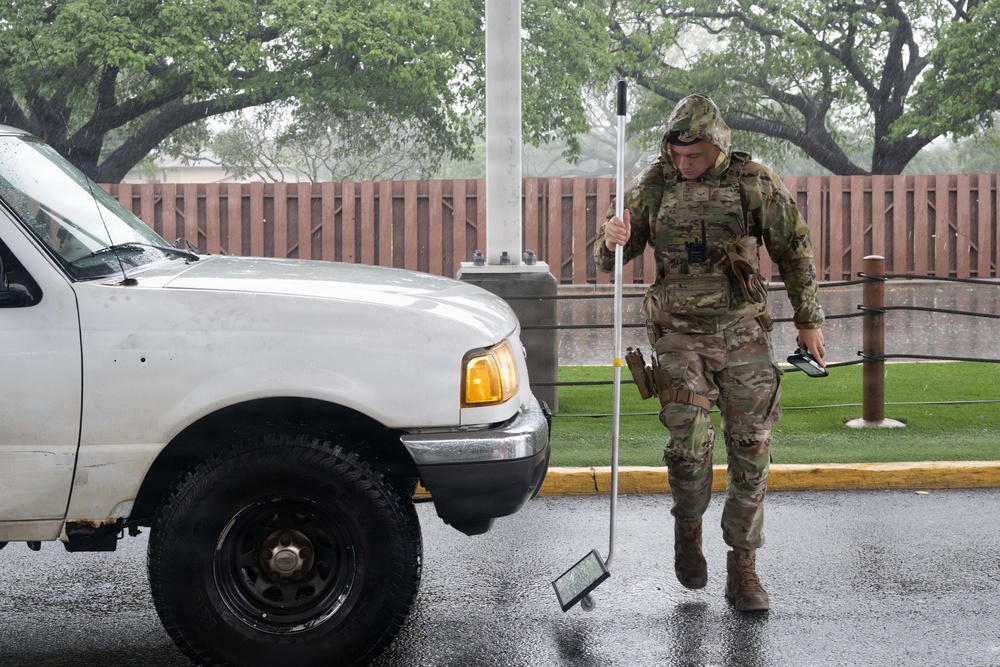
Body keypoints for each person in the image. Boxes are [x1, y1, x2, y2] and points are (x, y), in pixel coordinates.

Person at [595, 93, 825, 612]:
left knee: (751, 446)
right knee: (690, 442)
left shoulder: (754, 183)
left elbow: (794, 249)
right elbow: (607, 259)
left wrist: (809, 320)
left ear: (717, 145)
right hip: (677, 334)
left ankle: (743, 567)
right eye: (677, 155)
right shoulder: (653, 187)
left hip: (743, 332)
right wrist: (611, 238)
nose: (684, 164)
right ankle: (688, 527)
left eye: (693, 156)